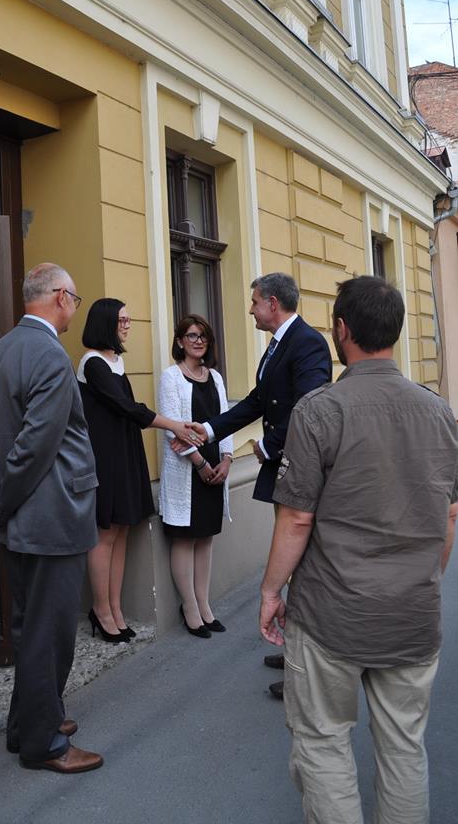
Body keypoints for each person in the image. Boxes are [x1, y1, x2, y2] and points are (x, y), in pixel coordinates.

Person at [259, 275, 458, 824]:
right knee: (403, 748)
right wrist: (425, 579)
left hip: (332, 616)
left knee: (323, 741)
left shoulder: (321, 410)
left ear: (341, 330)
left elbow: (298, 517)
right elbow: (447, 514)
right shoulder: (440, 414)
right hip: (413, 615)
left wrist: (272, 591)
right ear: (395, 332)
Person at [0, 263, 103, 775]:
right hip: (50, 516)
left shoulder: (1, 349)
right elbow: (34, 448)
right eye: (76, 297)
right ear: (61, 298)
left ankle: (26, 723)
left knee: (30, 628)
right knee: (50, 633)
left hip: (22, 517)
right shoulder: (48, 353)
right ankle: (43, 743)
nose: (76, 307)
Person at [189, 273, 331, 689]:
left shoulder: (306, 342)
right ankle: (297, 654)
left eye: (253, 302)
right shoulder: (280, 343)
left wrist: (270, 445)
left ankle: (308, 671)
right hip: (284, 465)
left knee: (304, 566)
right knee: (295, 564)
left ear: (272, 302)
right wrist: (210, 430)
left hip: (298, 466)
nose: (249, 309)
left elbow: (311, 405)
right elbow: (257, 400)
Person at [78, 298, 204, 643]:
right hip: (104, 456)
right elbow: (125, 407)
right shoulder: (92, 363)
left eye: (128, 318)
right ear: (105, 322)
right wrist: (173, 425)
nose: (127, 324)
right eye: (122, 319)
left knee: (120, 532)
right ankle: (101, 610)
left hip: (124, 451)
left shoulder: (115, 361)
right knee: (105, 534)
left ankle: (115, 608)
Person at [158, 315, 233, 638]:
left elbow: (225, 420)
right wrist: (200, 463)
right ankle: (189, 607)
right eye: (191, 335)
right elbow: (172, 431)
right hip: (187, 471)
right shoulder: (171, 377)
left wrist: (227, 459)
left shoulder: (214, 377)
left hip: (215, 468)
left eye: (203, 336)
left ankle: (204, 605)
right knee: (185, 538)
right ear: (179, 341)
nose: (198, 341)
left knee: (205, 538)